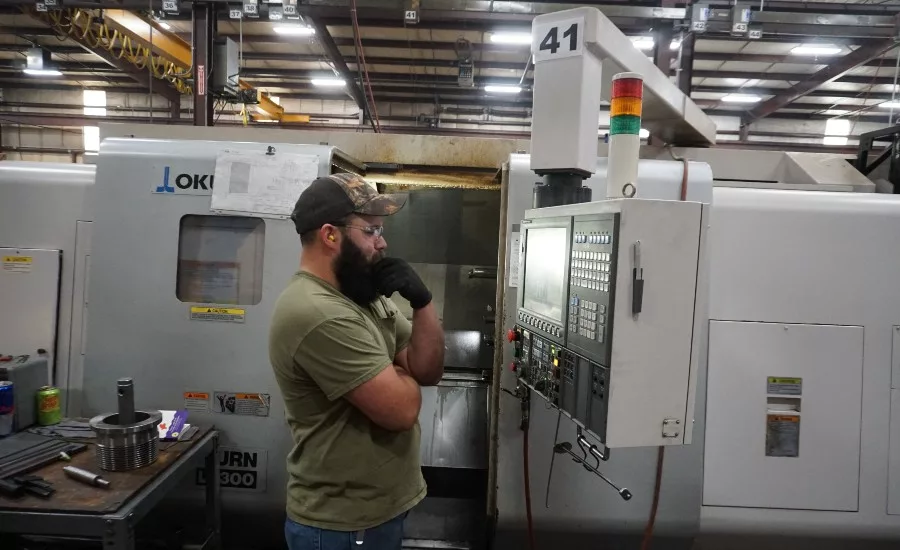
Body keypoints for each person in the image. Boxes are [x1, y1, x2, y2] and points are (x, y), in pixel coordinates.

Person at [269, 173, 445, 550]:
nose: (383, 243)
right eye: (371, 231)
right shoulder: (317, 311)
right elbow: (401, 410)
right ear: (331, 235)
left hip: (376, 513)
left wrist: (423, 302)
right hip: (341, 527)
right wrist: (398, 372)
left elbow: (427, 371)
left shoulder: (360, 295)